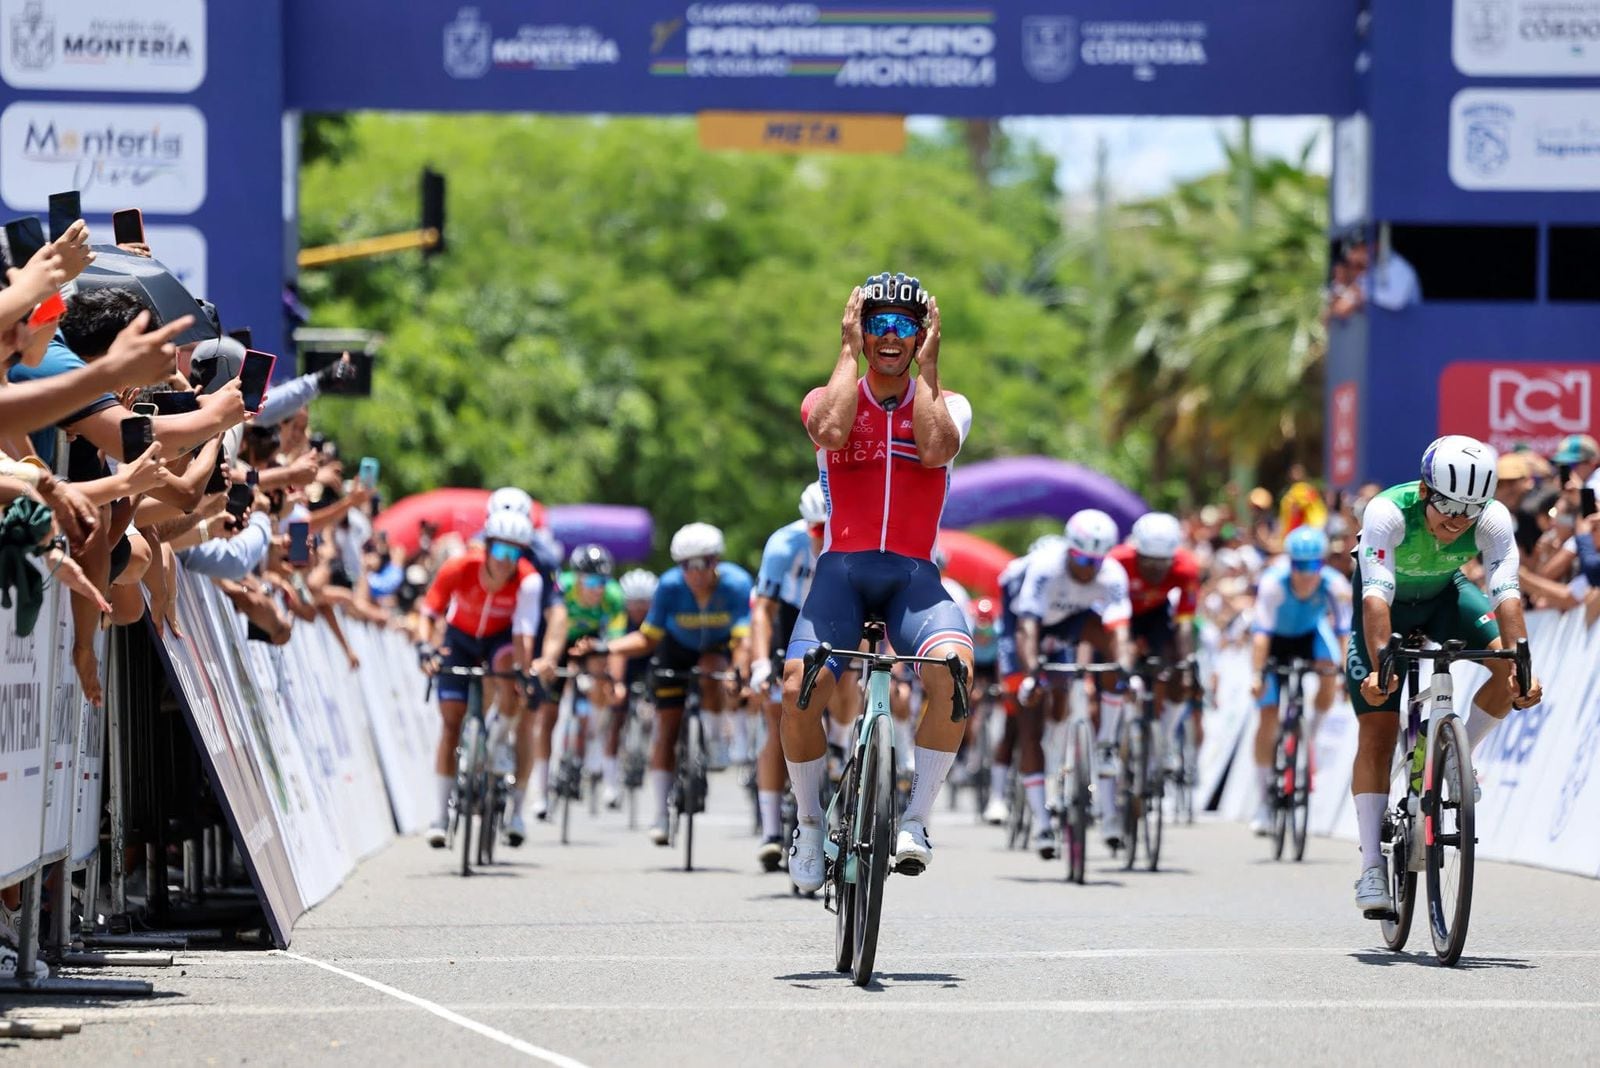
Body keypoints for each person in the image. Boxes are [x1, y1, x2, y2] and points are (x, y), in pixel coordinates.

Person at [781, 272, 975, 893]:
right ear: (860, 331)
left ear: (922, 335)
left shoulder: (948, 403)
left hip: (914, 578)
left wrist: (931, 370)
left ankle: (916, 820)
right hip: (842, 572)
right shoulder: (825, 396)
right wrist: (843, 353)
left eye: (905, 325)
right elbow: (831, 432)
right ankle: (809, 824)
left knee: (954, 669)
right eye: (878, 324)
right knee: (796, 689)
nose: (890, 337)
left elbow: (936, 450)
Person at [1347, 435, 1543, 914]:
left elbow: (1505, 592)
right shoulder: (1387, 511)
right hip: (1385, 605)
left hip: (1445, 598)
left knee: (1505, 667)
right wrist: (1381, 667)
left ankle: (1457, 757)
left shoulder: (1493, 519)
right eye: (1449, 504)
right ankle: (1372, 867)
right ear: (1425, 490)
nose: (1457, 519)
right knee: (1377, 723)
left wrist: (1522, 665)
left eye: (1470, 509)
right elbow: (1376, 594)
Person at [606, 522, 752, 845]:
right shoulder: (670, 587)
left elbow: (744, 639)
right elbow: (646, 639)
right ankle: (659, 813)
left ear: (717, 562)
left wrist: (738, 671)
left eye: (705, 563)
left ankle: (713, 741)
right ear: (679, 566)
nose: (697, 573)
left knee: (714, 670)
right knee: (665, 729)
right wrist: (607, 647)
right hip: (675, 650)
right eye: (688, 565)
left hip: (717, 648)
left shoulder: (737, 583)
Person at [417, 510, 553, 848]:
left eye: (515, 553)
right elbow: (429, 612)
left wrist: (526, 674)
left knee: (510, 674)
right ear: (488, 547)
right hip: (460, 639)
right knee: (450, 723)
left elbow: (523, 632)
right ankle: (440, 815)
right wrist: (424, 648)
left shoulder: (528, 579)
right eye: (502, 552)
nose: (508, 561)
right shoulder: (459, 567)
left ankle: (496, 740)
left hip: (499, 640)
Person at [1011, 509, 1133, 857]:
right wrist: (1032, 673)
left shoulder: (1111, 574)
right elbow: (1027, 627)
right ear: (1068, 550)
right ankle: (1041, 823)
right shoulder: (1045, 567)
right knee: (1030, 716)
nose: (1087, 568)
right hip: (1027, 625)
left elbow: (1119, 629)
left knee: (1111, 655)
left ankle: (1105, 741)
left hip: (1071, 621)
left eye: (1096, 560)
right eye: (1080, 557)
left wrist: (1123, 667)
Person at [1247, 525, 1351, 835]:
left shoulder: (1335, 584)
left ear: (1322, 563)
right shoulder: (1272, 584)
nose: (1306, 574)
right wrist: (1256, 675)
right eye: (1299, 566)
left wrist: (1345, 672)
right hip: (1274, 641)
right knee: (1267, 717)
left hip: (1309, 636)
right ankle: (1264, 802)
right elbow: (1261, 636)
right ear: (1289, 563)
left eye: (1313, 566)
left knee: (1330, 667)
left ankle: (1310, 736)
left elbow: (1343, 632)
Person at [748, 482, 826, 870]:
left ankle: (842, 744)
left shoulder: (851, 537)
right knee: (777, 717)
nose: (823, 536)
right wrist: (761, 663)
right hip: (791, 616)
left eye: (830, 527)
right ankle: (770, 831)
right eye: (817, 529)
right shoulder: (783, 544)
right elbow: (762, 610)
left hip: (831, 613)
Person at [984, 533, 1064, 825]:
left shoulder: (1064, 577)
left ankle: (1055, 775)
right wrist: (1009, 679)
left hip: (1052, 640)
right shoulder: (1016, 576)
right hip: (1017, 641)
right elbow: (1011, 634)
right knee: (1014, 723)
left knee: (1064, 698)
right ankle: (997, 796)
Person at [1108, 512, 1205, 748]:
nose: (1156, 570)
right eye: (1149, 561)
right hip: (1121, 613)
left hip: (1156, 616)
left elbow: (1184, 624)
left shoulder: (1187, 568)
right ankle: (1109, 739)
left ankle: (1165, 741)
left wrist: (1187, 664)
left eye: (1163, 562)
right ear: (1136, 553)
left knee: (1177, 672)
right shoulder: (1116, 561)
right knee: (1117, 666)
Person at [555, 543, 627, 805]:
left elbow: (616, 645)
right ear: (577, 578)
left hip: (593, 641)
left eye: (602, 581)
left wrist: (616, 682)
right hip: (561, 637)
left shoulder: (614, 596)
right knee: (552, 683)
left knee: (600, 668)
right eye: (592, 581)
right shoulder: (562, 587)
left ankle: (594, 736)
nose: (598, 588)